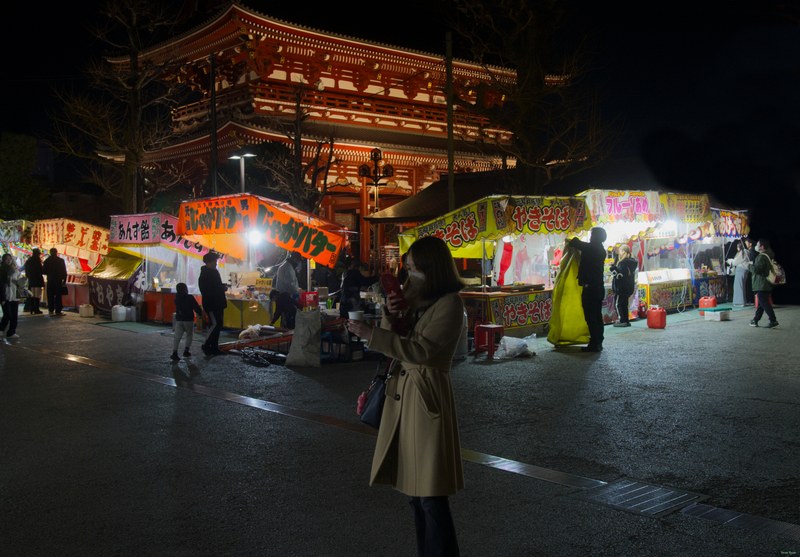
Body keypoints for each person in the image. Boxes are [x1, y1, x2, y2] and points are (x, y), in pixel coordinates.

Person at [346, 236, 464, 557]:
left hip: (426, 397)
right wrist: (389, 313)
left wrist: (373, 335)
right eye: (407, 268)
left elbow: (421, 351)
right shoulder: (414, 296)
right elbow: (396, 340)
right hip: (403, 395)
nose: (409, 275)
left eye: (414, 269)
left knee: (431, 494)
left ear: (432, 269)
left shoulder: (449, 304)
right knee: (415, 493)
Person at [568, 227, 608, 352]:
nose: (590, 236)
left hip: (591, 288)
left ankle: (595, 343)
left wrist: (570, 234)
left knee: (591, 316)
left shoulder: (593, 248)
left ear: (595, 236)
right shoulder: (600, 249)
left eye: (592, 234)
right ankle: (598, 341)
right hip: (598, 287)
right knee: (596, 316)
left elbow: (575, 242)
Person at [198, 252, 228, 356]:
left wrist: (221, 287)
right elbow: (208, 291)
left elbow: (216, 287)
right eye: (215, 261)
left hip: (218, 303)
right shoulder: (205, 275)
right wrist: (221, 288)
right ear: (209, 262)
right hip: (212, 304)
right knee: (215, 325)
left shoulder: (213, 272)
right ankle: (206, 345)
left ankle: (214, 347)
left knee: (218, 325)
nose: (216, 263)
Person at [749, 238, 779, 329]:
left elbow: (757, 270)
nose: (756, 246)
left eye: (757, 245)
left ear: (762, 247)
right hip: (766, 283)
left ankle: (773, 320)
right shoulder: (768, 255)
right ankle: (755, 320)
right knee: (761, 304)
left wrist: (750, 266)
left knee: (764, 303)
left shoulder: (761, 257)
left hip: (761, 284)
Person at [171, 282, 203, 361]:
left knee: (177, 337)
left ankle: (174, 352)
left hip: (179, 320)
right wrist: (200, 313)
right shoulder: (189, 297)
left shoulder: (177, 298)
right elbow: (196, 307)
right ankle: (186, 351)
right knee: (189, 335)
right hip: (188, 320)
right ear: (185, 289)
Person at [610, 244, 638, 327]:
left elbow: (620, 276)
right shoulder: (631, 262)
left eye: (620, 251)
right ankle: (626, 320)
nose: (619, 252)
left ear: (623, 251)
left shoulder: (622, 263)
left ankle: (622, 320)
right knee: (624, 304)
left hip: (621, 288)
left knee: (619, 304)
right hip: (628, 287)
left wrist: (613, 269)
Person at [0, 253, 24, 339]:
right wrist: (2, 298)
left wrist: (21, 282)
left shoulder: (15, 270)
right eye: (6, 259)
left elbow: (19, 280)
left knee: (14, 315)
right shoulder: (2, 270)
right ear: (3, 260)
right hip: (6, 295)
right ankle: (1, 329)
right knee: (7, 315)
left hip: (14, 295)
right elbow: (2, 284)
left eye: (10, 258)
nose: (9, 260)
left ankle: (12, 332)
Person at [42, 247, 68, 316]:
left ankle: (51, 310)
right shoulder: (61, 260)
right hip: (58, 280)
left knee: (50, 295)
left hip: (50, 280)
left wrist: (49, 273)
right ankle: (58, 311)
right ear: (56, 252)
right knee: (58, 296)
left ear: (50, 253)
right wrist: (64, 281)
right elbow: (64, 271)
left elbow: (43, 271)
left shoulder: (47, 261)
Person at [727, 237, 752, 307]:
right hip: (744, 270)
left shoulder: (743, 252)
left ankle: (740, 302)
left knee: (739, 286)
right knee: (741, 286)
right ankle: (742, 301)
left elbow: (735, 262)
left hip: (741, 270)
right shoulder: (746, 252)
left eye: (738, 246)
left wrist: (730, 261)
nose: (737, 248)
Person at [23, 248, 45, 315]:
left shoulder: (28, 261)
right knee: (37, 295)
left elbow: (26, 271)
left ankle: (32, 308)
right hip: (37, 280)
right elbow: (41, 271)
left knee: (32, 295)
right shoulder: (37, 261)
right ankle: (36, 309)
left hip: (31, 280)